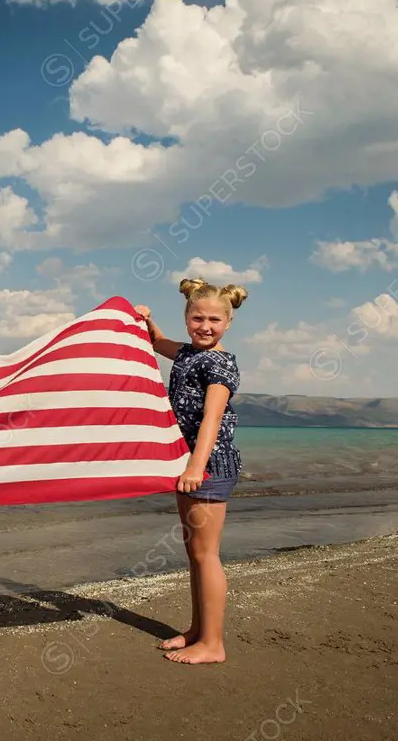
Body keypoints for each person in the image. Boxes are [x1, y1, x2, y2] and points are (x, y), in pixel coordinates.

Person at [134, 278, 248, 665]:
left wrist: (196, 467)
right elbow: (155, 342)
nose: (206, 326)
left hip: (208, 465)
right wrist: (146, 321)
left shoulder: (220, 362)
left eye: (215, 320)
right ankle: (198, 631)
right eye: (198, 317)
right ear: (187, 318)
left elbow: (212, 420)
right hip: (188, 463)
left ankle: (213, 644)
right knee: (194, 553)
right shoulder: (185, 354)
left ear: (228, 323)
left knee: (206, 554)